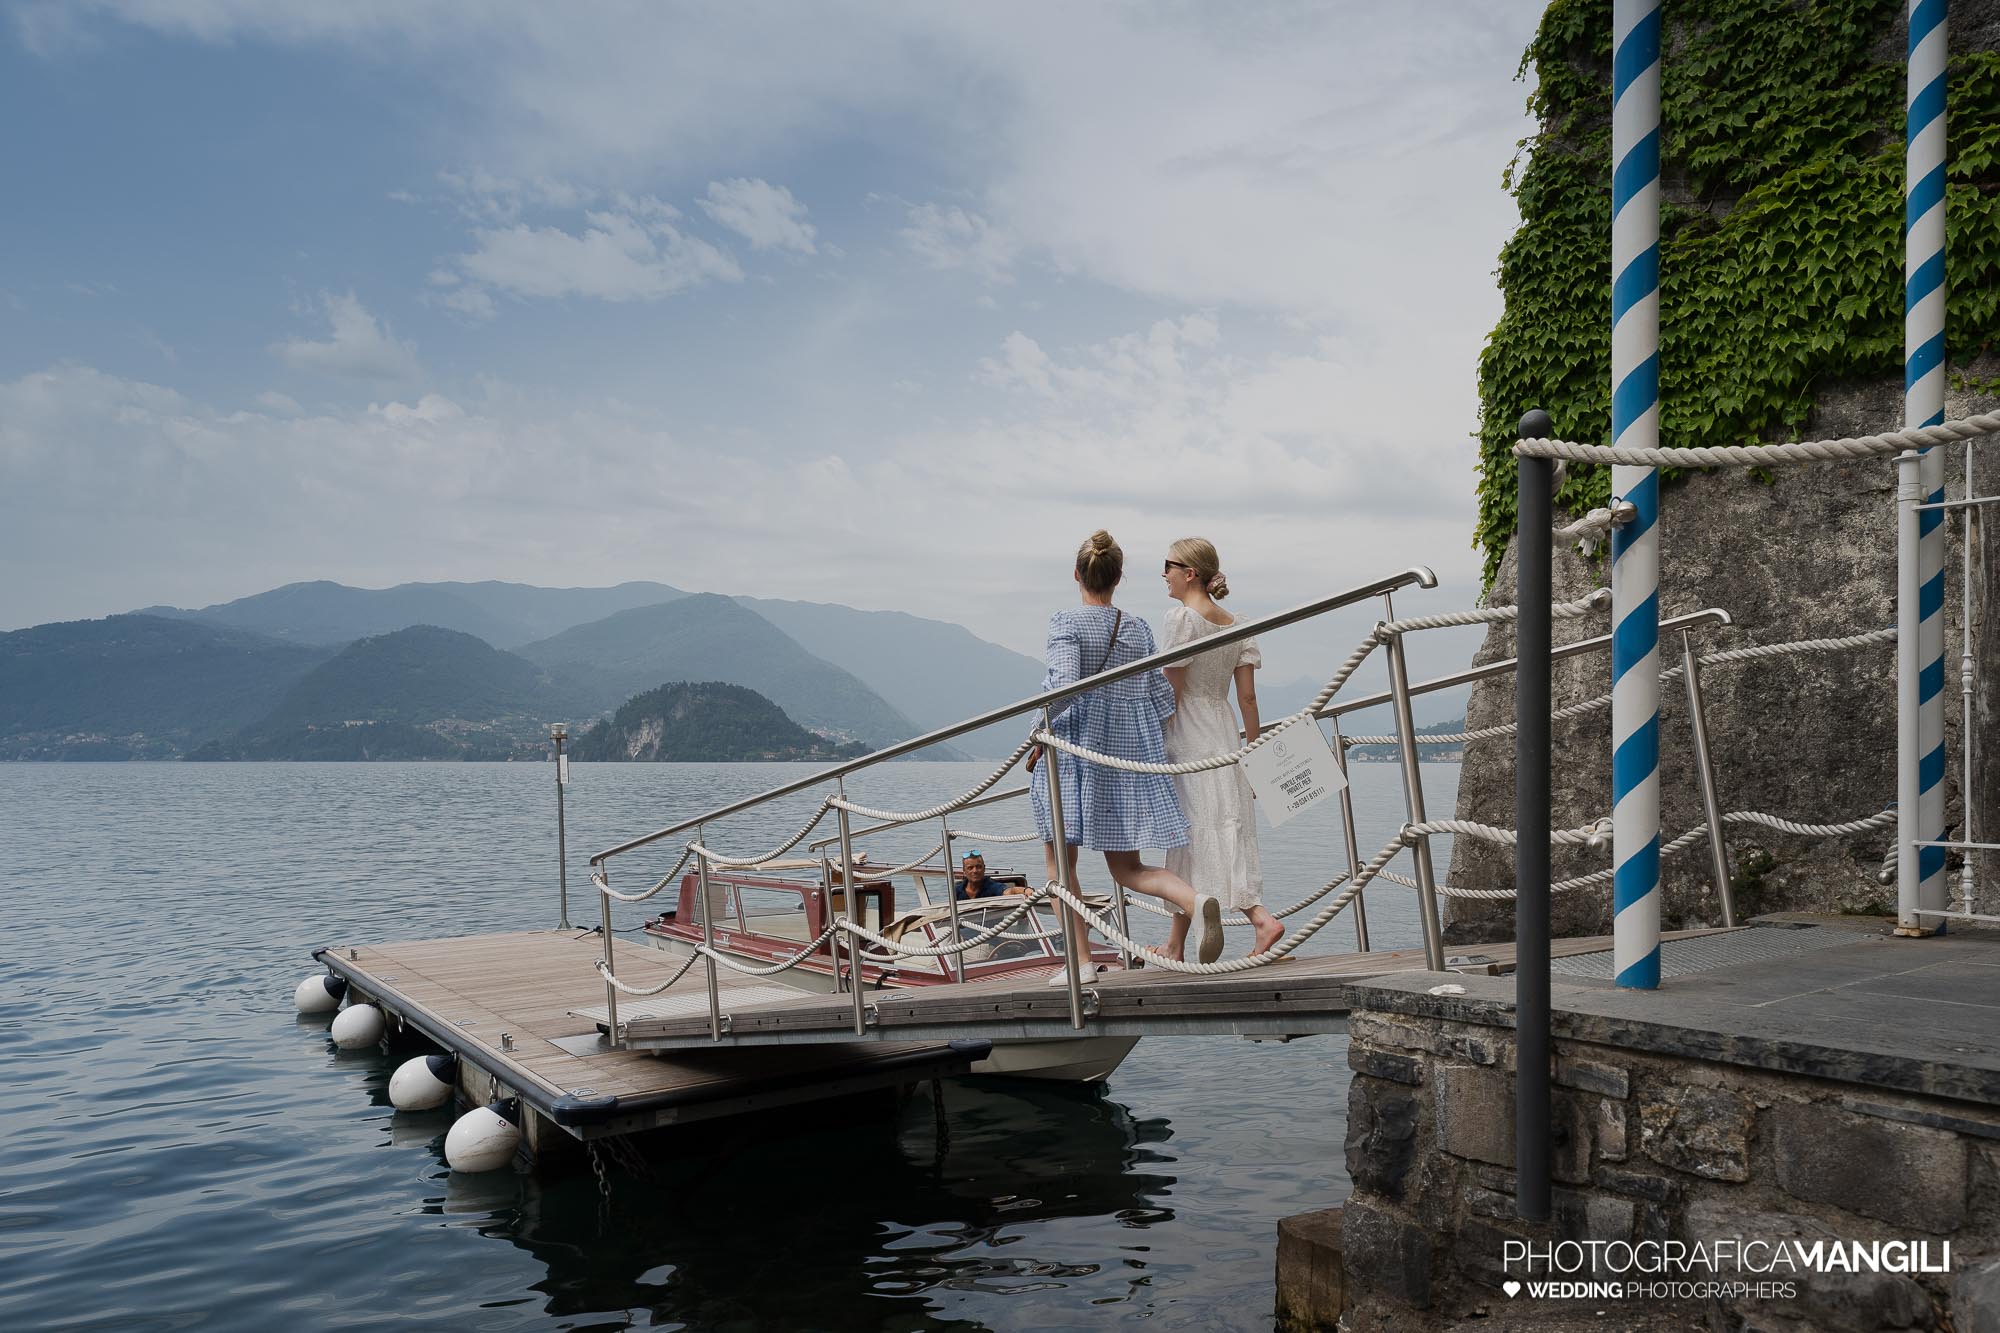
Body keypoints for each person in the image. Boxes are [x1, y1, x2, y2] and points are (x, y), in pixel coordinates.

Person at [1029, 529, 1223, 964]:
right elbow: (1159, 698)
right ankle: (1195, 900)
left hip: (1074, 757)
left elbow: (1061, 686)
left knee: (1061, 868)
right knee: (1129, 870)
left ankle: (1080, 966)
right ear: (1119, 579)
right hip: (1119, 762)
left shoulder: (1066, 623)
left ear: (1078, 575)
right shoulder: (1135, 628)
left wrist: (1034, 734)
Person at [1160, 537, 1284, 956]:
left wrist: (1153, 741)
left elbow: (1171, 692)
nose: (1165, 574)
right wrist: (1253, 755)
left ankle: (1261, 920)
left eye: (1169, 566)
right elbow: (1248, 699)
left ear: (1190, 573)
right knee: (1223, 826)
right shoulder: (1239, 624)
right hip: (1224, 729)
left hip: (1188, 733)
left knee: (1189, 832)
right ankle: (1177, 942)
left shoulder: (1182, 621)